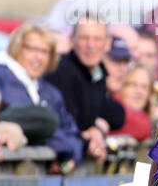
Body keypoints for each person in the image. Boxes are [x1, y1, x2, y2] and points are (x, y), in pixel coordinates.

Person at [0, 22, 86, 168]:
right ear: (16, 48)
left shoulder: (50, 92)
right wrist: (64, 150)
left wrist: (69, 159)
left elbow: (72, 133)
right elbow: (38, 130)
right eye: (32, 49)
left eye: (45, 51)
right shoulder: (1, 81)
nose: (38, 57)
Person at [44, 15, 126, 165]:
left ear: (107, 43)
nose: (91, 45)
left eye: (97, 39)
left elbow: (116, 115)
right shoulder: (61, 72)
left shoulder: (97, 73)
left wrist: (98, 128)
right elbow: (67, 124)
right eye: (84, 38)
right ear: (71, 40)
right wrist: (88, 138)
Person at [111, 64, 156, 142]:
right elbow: (141, 126)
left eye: (144, 87)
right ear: (121, 85)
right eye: (133, 84)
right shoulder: (111, 105)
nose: (139, 91)